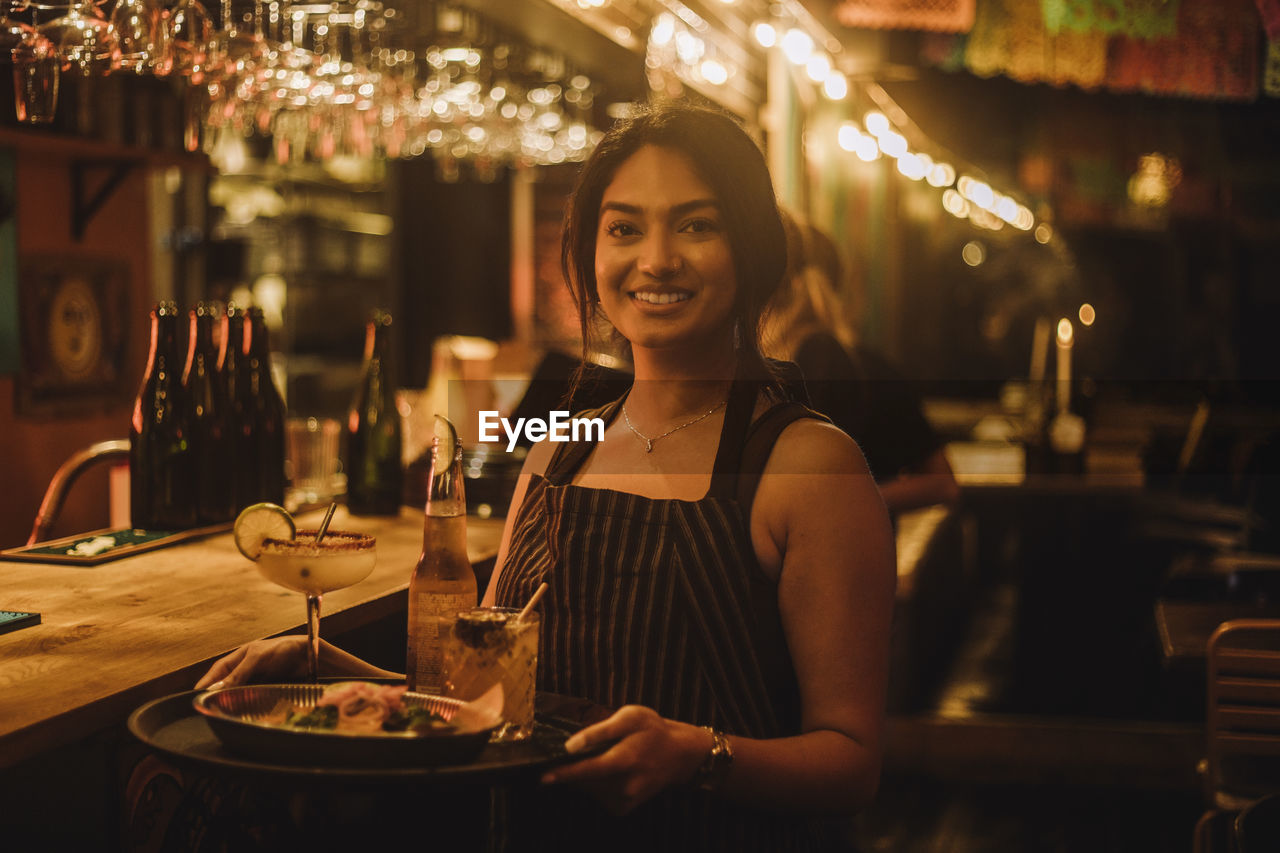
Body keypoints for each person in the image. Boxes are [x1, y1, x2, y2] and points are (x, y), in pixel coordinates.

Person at [197, 101, 896, 851]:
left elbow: (850, 761)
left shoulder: (807, 464)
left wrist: (697, 754)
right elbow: (481, 707)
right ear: (592, 257)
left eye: (697, 224)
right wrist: (325, 666)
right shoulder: (557, 452)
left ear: (753, 248)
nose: (656, 259)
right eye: (624, 228)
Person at [766, 213, 959, 515]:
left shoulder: (810, 364)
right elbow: (943, 482)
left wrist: (848, 505)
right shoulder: (868, 365)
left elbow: (942, 483)